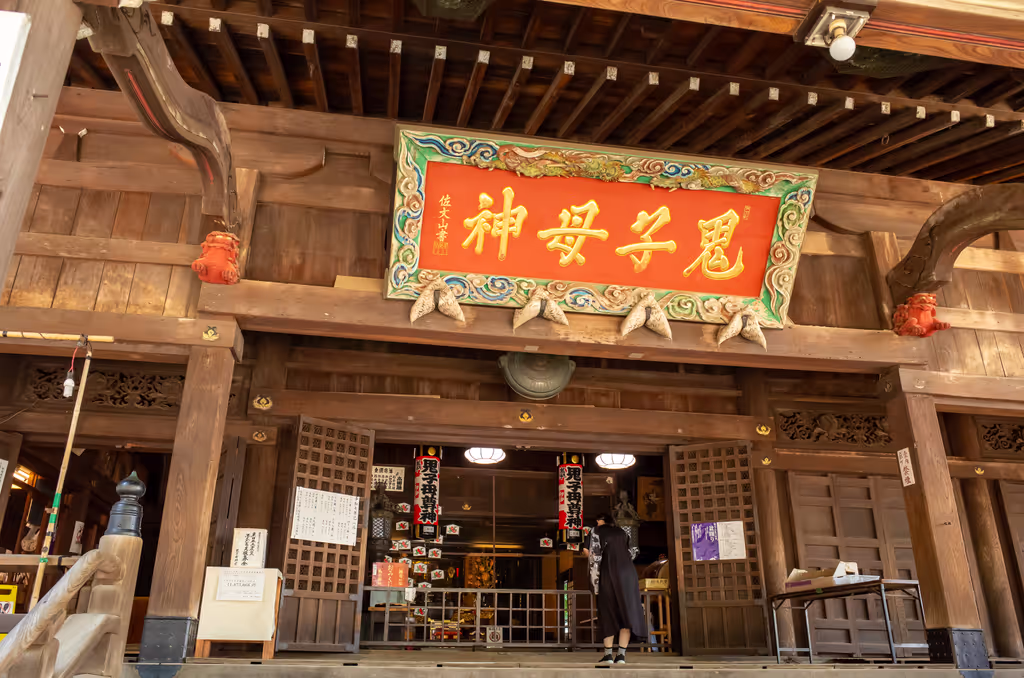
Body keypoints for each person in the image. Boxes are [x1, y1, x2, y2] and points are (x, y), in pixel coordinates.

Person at [583, 512, 647, 665]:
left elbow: (588, 552)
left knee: (608, 611)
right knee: (626, 611)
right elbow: (632, 552)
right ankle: (622, 656)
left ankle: (608, 655)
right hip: (628, 574)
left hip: (608, 573)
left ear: (599, 521)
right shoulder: (623, 532)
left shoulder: (594, 531)